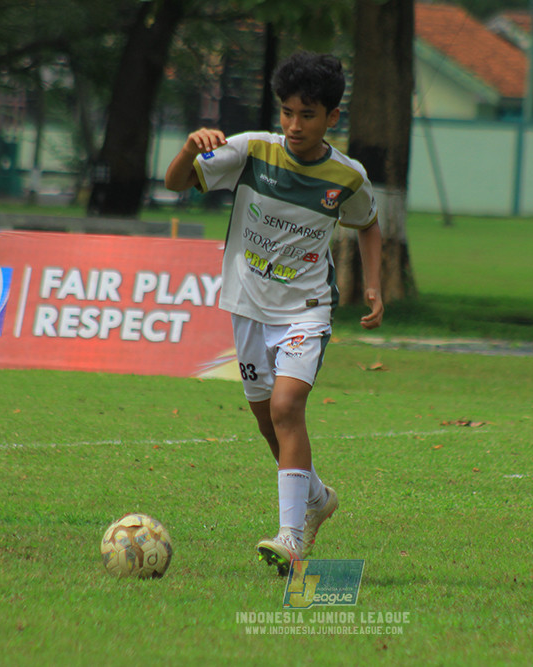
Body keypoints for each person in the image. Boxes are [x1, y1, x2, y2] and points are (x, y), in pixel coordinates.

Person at [164, 51, 384, 574]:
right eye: (286, 112)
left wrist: (373, 285)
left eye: (307, 115)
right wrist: (188, 147)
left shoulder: (346, 177)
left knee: (287, 408)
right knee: (268, 423)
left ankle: (291, 538)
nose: (293, 125)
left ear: (333, 116)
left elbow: (369, 224)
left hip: (306, 310)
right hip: (246, 308)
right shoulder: (251, 151)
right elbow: (177, 183)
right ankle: (317, 498)